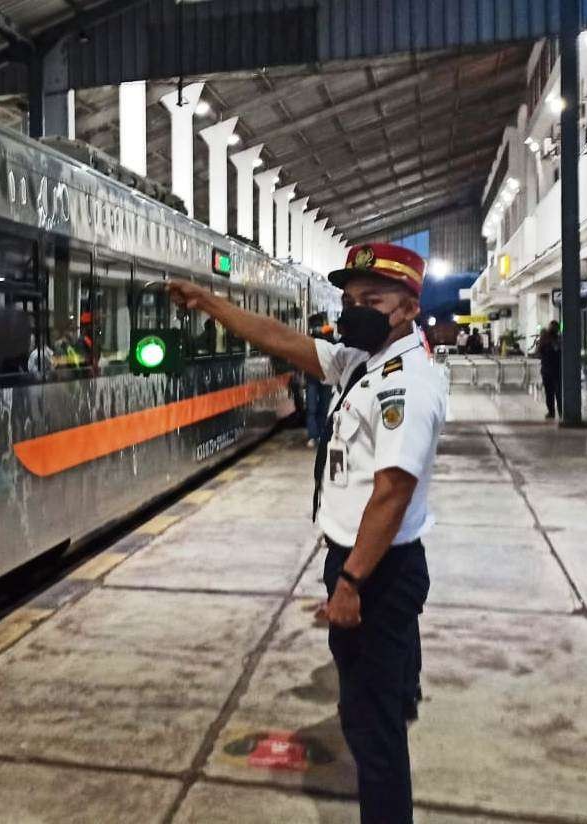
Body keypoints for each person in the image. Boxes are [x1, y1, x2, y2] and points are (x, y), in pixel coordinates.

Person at [169, 242, 446, 824]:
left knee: (371, 732)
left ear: (408, 309)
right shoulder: (362, 362)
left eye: (372, 299)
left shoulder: (405, 385)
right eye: (350, 298)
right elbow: (285, 340)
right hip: (368, 565)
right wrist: (213, 305)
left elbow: (391, 493)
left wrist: (349, 583)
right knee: (381, 705)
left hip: (373, 570)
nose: (355, 310)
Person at [304, 313, 334, 449]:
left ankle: (318, 434)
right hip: (314, 378)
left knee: (320, 407)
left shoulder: (329, 337)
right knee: (315, 408)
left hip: (324, 377)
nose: (316, 328)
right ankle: (313, 435)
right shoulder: (308, 340)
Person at [536, 320, 562, 419]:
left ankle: (558, 412)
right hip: (550, 370)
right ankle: (553, 412)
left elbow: (538, 353)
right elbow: (538, 352)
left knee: (556, 393)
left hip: (554, 370)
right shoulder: (545, 340)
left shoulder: (559, 340)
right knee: (551, 393)